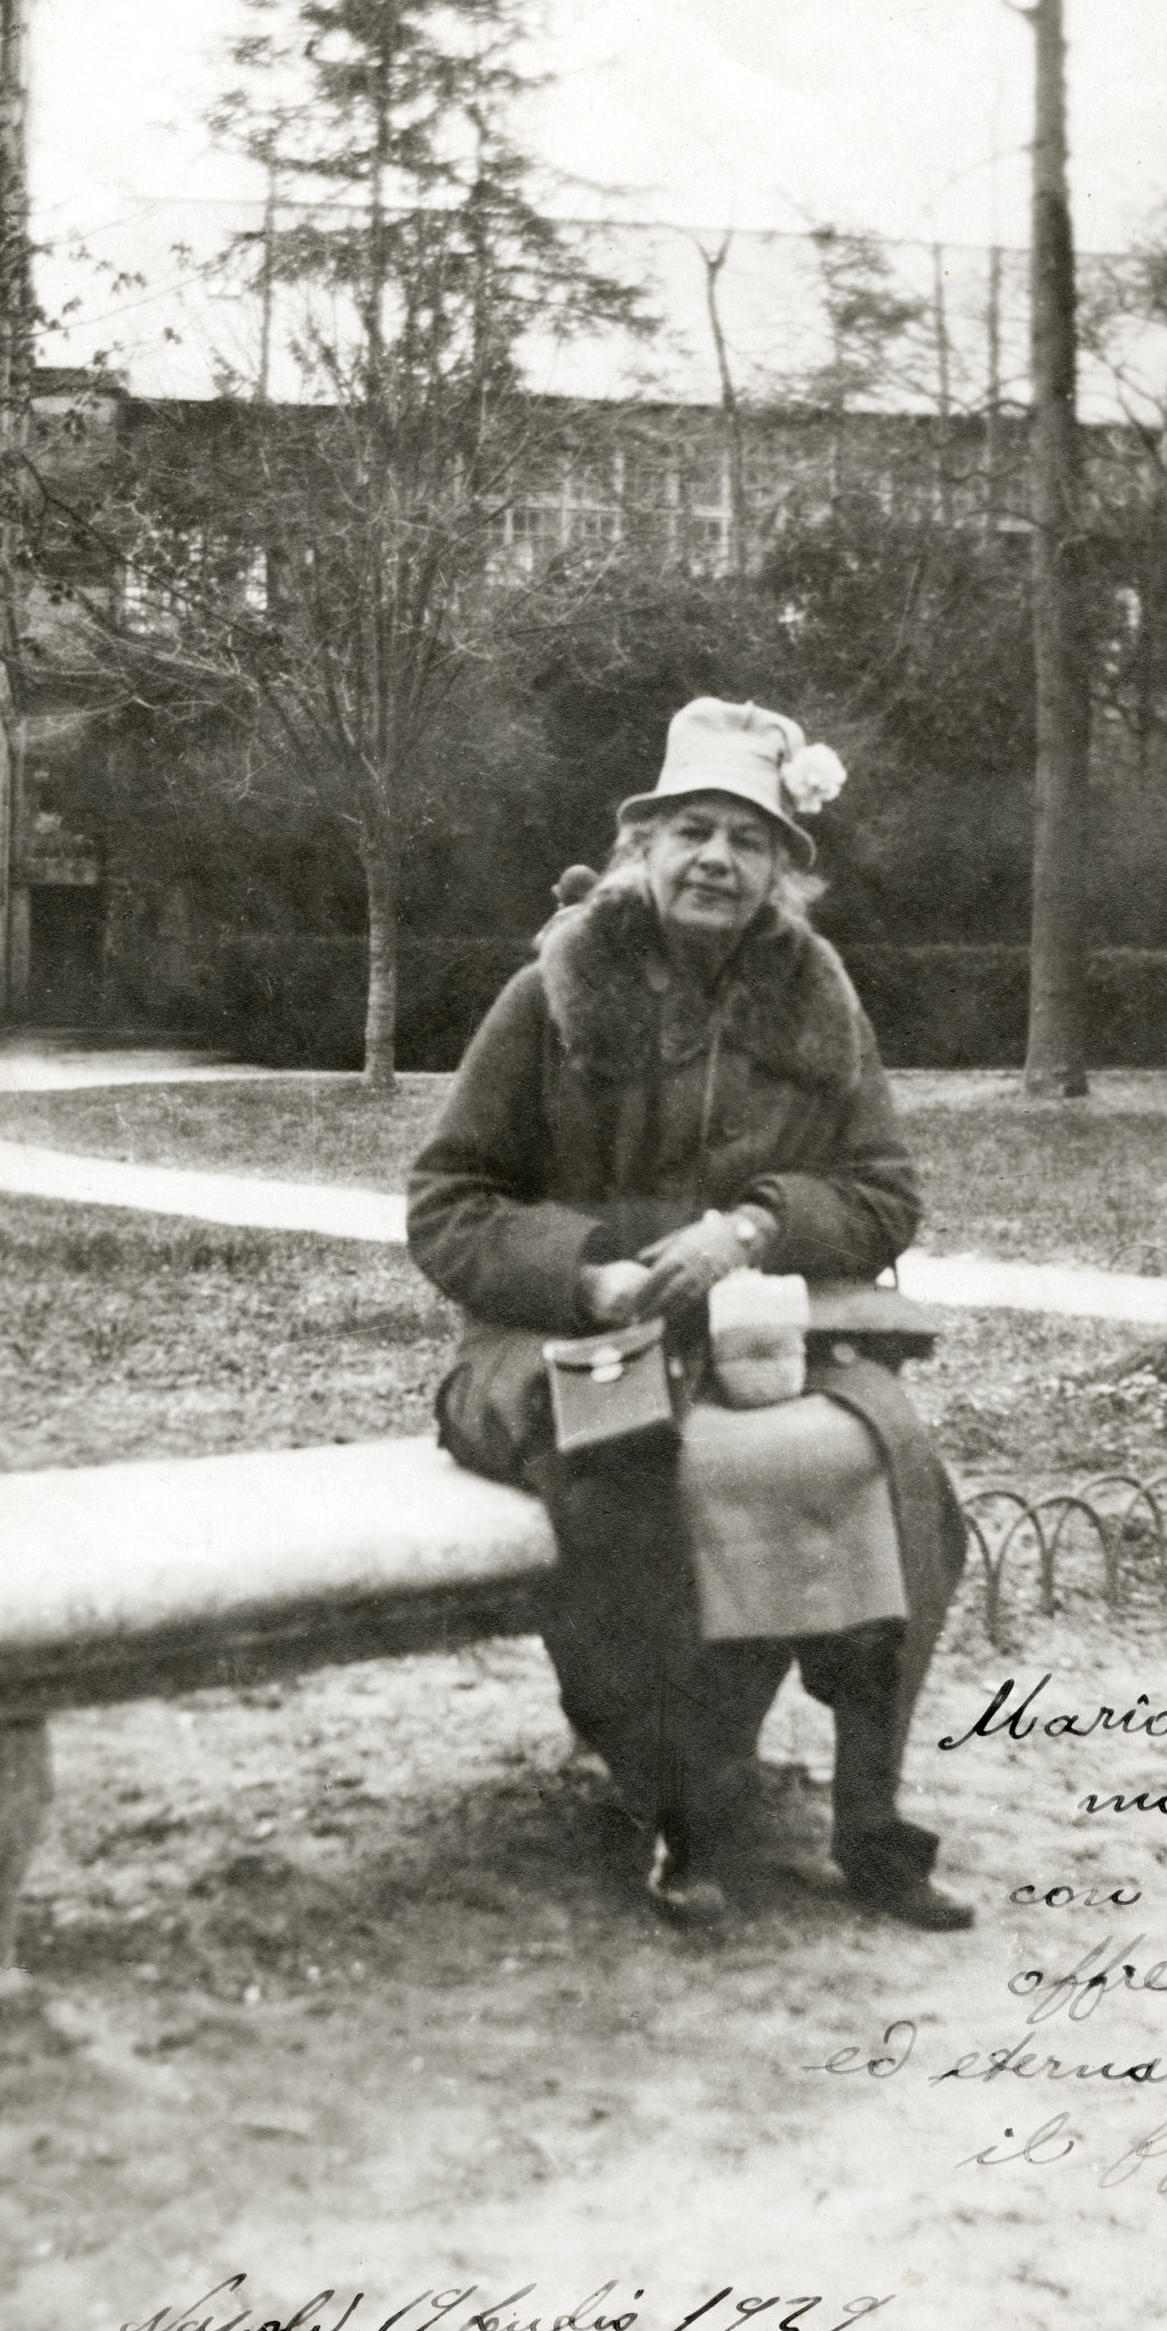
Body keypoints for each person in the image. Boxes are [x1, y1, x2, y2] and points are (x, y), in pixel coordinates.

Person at [409, 698, 972, 1932]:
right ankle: (676, 1807)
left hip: (761, 1326)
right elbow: (445, 1203)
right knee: (629, 1469)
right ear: (642, 849)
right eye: (693, 831)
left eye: (750, 840)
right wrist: (590, 1269)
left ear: (782, 873)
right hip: (563, 1336)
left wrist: (758, 1224)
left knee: (897, 1458)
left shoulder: (817, 1000)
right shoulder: (550, 990)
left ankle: (870, 1819)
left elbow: (885, 1191)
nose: (718, 859)